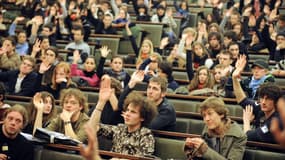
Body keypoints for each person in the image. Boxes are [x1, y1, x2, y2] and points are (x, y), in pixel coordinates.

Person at [89, 75, 156, 156]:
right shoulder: (119, 129)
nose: (127, 114)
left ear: (142, 117)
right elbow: (92, 128)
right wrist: (101, 102)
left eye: (133, 112)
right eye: (127, 110)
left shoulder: (146, 135)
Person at [233, 55, 282, 143]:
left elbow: (248, 136)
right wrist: (234, 78)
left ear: (276, 101)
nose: (263, 102)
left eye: (267, 99)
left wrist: (246, 121)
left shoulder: (277, 120)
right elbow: (242, 100)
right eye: (262, 98)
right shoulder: (262, 107)